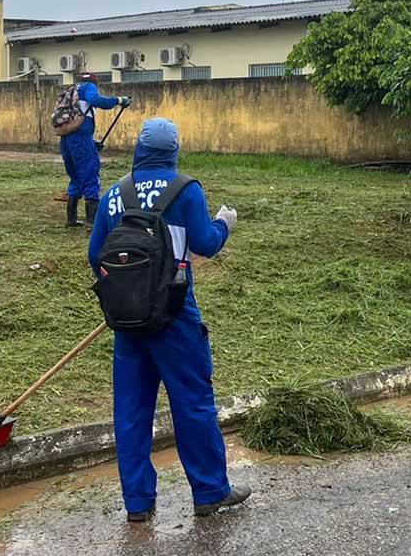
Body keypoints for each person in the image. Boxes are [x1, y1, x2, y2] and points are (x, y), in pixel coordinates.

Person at [88, 118, 249, 521]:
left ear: (139, 150)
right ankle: (210, 491)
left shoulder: (114, 194)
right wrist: (224, 224)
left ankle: (138, 504)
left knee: (131, 412)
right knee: (192, 403)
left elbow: (95, 256)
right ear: (174, 151)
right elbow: (206, 245)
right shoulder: (186, 190)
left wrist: (130, 291)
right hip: (175, 316)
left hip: (128, 322)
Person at [62, 73, 131, 228]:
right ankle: (91, 221)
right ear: (94, 83)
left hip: (66, 138)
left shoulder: (71, 90)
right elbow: (96, 100)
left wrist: (92, 144)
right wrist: (119, 100)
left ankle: (71, 219)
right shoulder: (88, 87)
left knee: (75, 176)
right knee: (90, 173)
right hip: (81, 138)